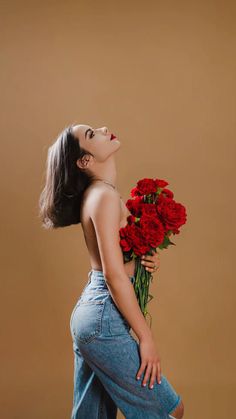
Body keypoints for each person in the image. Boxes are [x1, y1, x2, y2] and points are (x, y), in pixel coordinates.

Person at [39, 124, 184, 419]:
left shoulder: (97, 194)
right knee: (171, 411)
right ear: (84, 161)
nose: (104, 128)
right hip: (102, 316)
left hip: (93, 315)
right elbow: (113, 275)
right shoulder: (103, 197)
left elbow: (115, 262)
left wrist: (142, 261)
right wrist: (146, 337)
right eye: (92, 134)